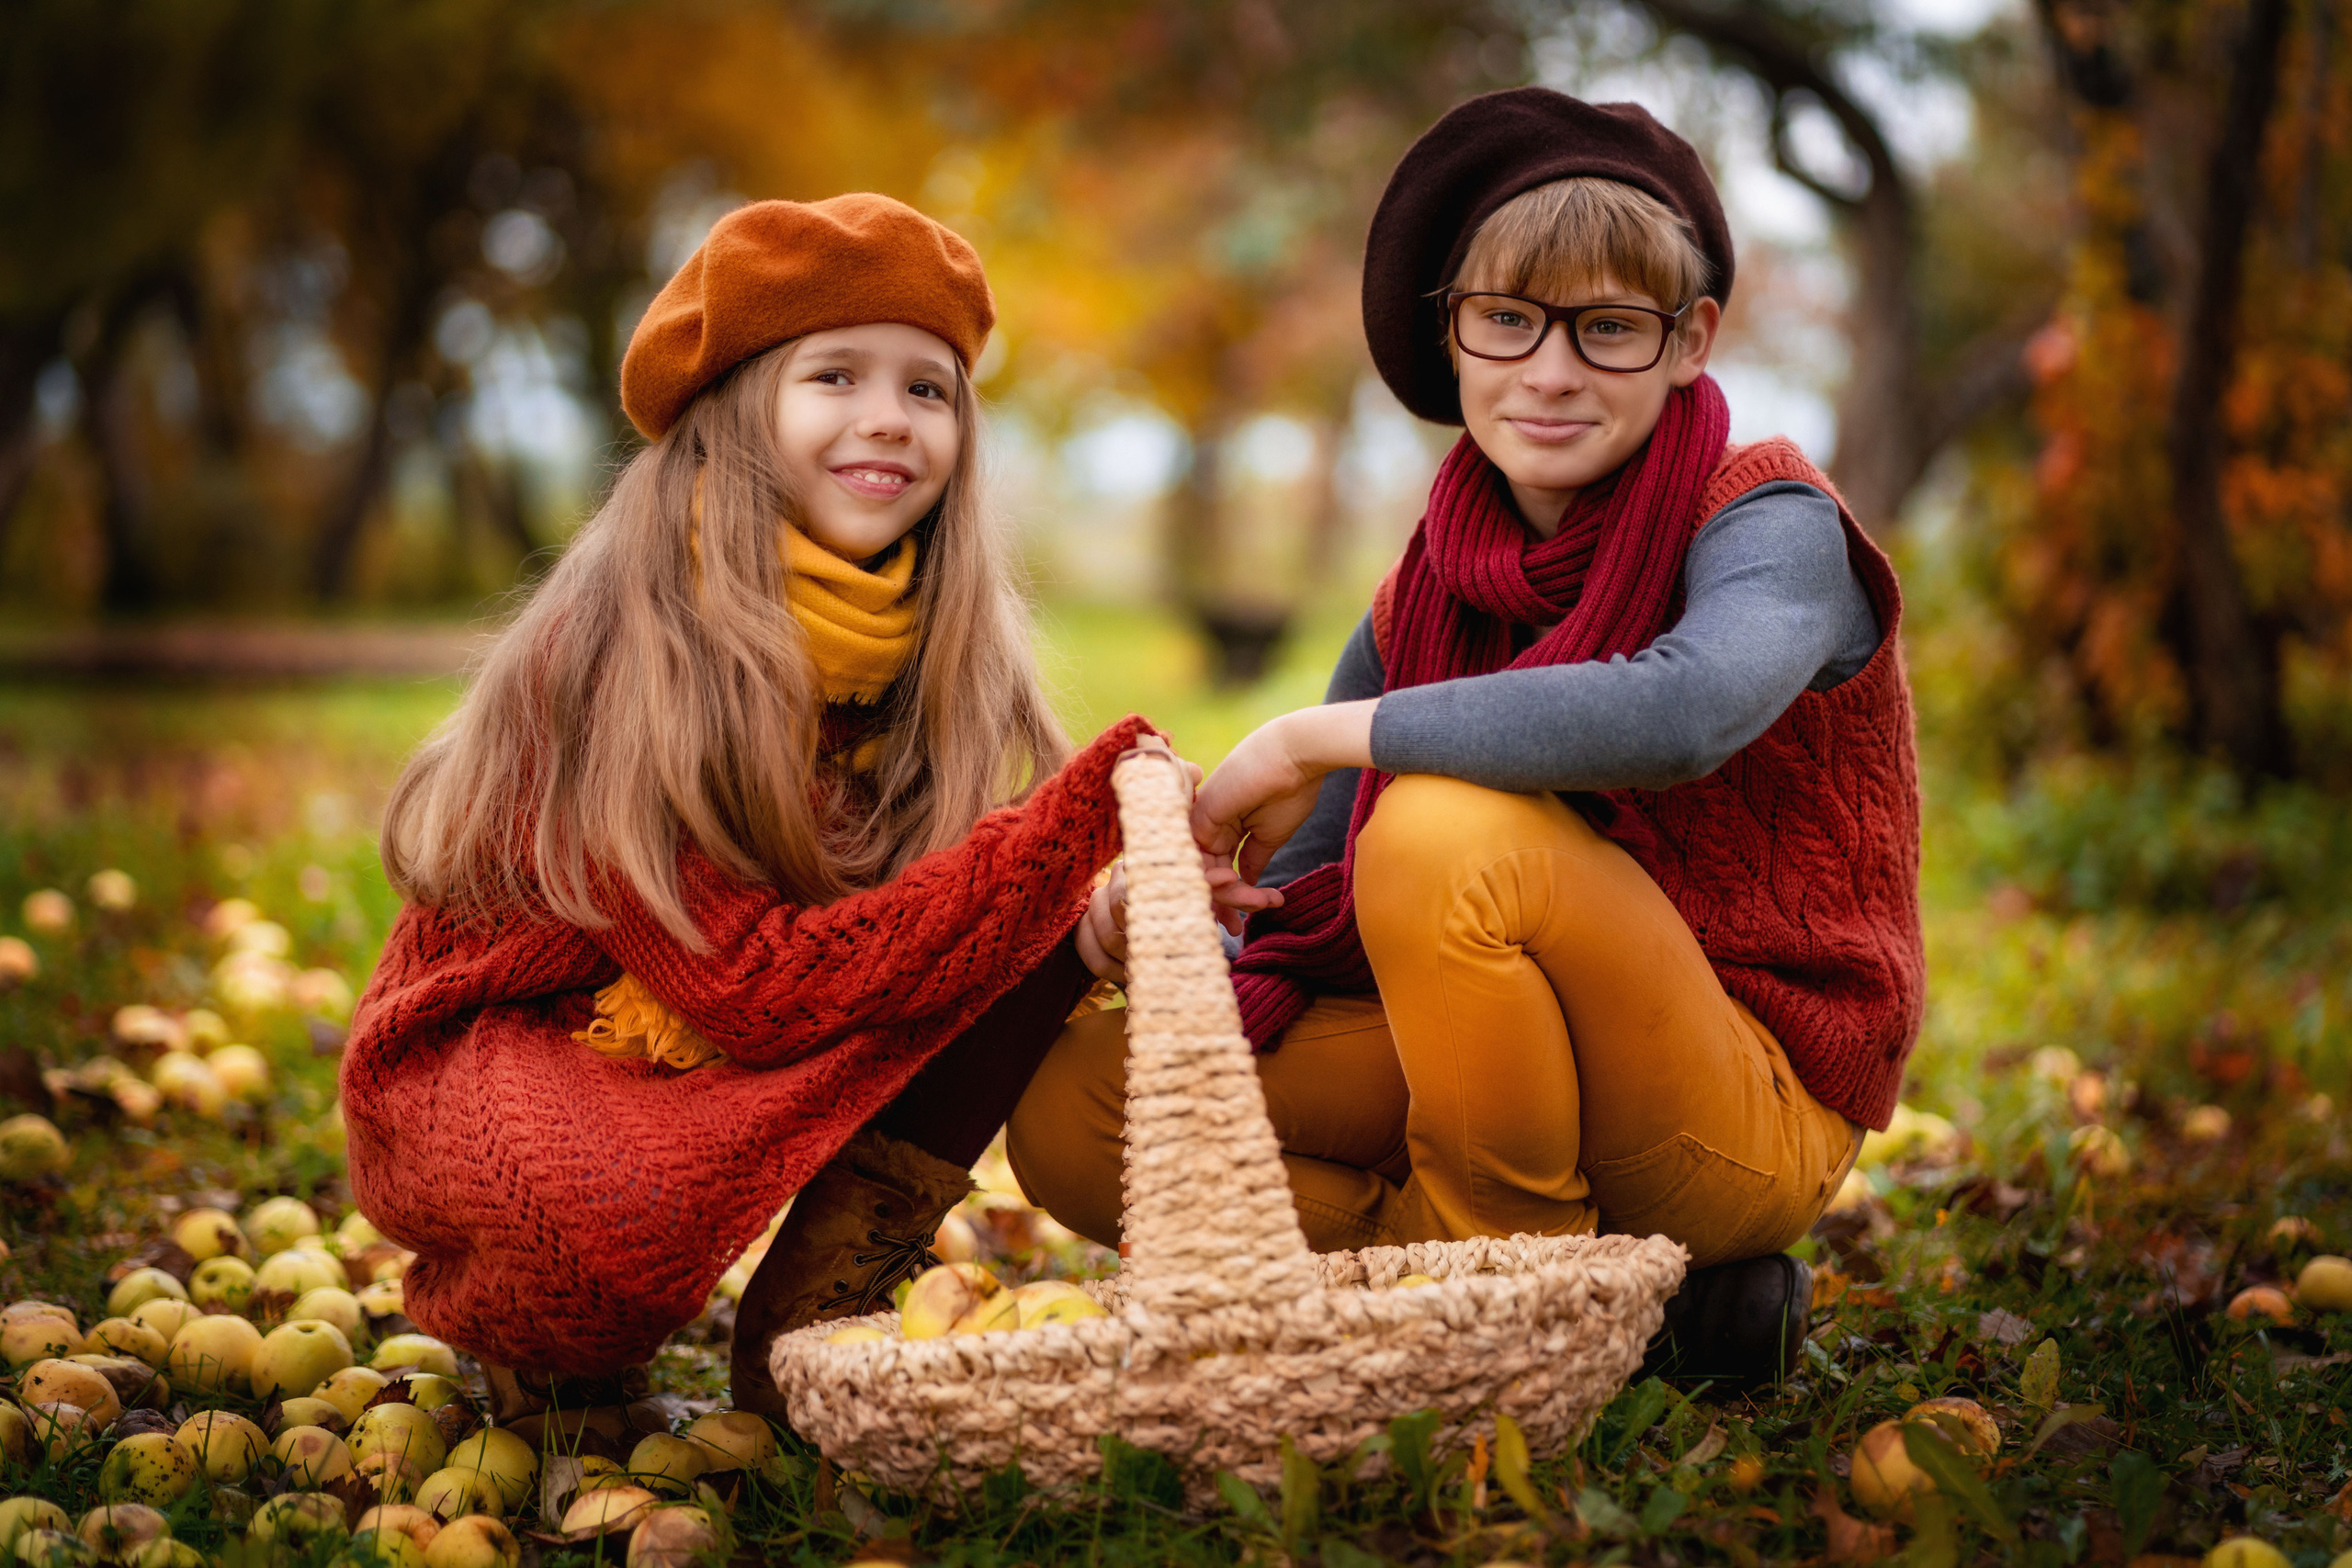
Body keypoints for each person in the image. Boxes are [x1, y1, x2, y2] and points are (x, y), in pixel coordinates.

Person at [1013, 89, 1924, 1387]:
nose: (1550, 372)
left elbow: (1684, 712)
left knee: (1444, 824)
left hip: (1736, 1100)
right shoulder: (1435, 586)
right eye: (1508, 320)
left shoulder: (1770, 520)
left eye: (1610, 329)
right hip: (1491, 1079)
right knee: (1087, 1109)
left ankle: (1498, 1314)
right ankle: (1627, 1312)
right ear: (1454, 334)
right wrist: (1171, 926)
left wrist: (1317, 736)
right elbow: (1306, 905)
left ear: (1690, 340)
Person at [343, 194, 1159, 1442]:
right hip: (507, 1053)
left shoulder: (929, 642)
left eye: (928, 389)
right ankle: (543, 1358)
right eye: (835, 376)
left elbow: (923, 927)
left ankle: (813, 1322)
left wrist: (1090, 922)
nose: (889, 417)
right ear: (732, 413)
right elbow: (750, 989)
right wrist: (1074, 822)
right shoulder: (629, 641)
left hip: (727, 1010)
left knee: (1011, 934)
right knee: (607, 1220)